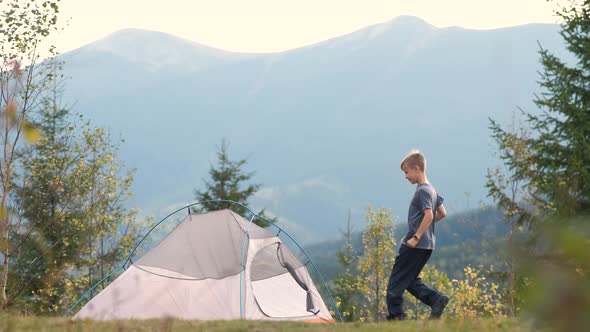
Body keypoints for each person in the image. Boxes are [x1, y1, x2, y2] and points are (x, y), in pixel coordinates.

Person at [386, 150, 449, 320]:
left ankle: (396, 317)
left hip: (416, 244)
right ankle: (436, 300)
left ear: (416, 169)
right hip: (427, 246)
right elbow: (442, 213)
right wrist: (426, 230)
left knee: (396, 282)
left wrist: (416, 236)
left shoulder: (422, 191)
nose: (406, 176)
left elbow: (429, 215)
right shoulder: (432, 190)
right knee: (410, 280)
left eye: (406, 172)